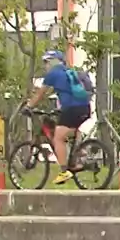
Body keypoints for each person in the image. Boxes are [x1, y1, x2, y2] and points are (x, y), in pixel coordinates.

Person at [26, 51, 94, 185]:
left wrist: (29, 106)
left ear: (52, 61)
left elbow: (41, 94)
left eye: (46, 62)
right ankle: (81, 155)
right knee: (72, 130)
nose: (45, 66)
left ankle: (64, 171)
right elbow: (63, 92)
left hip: (72, 109)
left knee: (58, 137)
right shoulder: (68, 72)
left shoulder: (53, 74)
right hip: (85, 107)